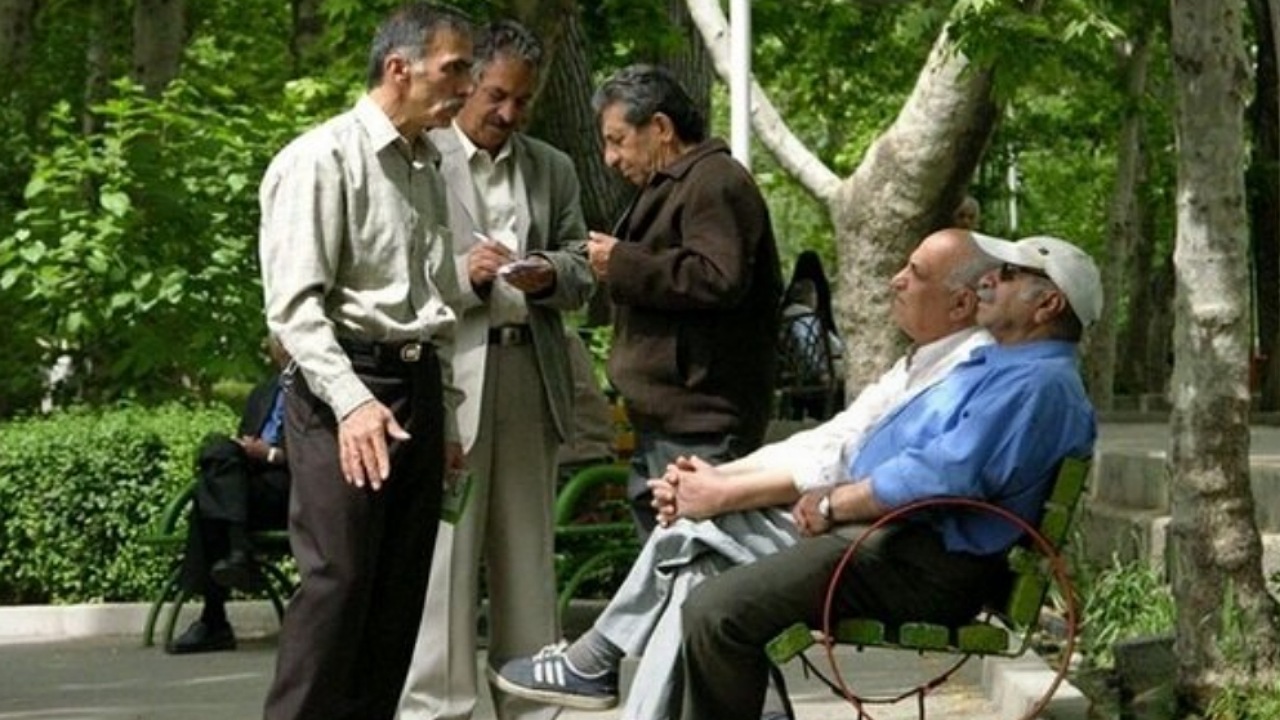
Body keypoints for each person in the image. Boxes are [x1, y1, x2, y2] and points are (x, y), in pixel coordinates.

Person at [490, 227, 996, 718]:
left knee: (698, 539)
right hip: (862, 532)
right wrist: (718, 480)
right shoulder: (922, 364)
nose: (896, 279)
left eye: (916, 272)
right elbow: (831, 440)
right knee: (698, 566)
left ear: (960, 304)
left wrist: (720, 494)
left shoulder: (971, 371)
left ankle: (597, 660)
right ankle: (631, 675)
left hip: (885, 548)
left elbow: (855, 463)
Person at [678, 233, 1103, 720]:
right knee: (704, 555)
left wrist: (833, 504)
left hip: (918, 564)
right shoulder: (1010, 369)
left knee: (716, 613)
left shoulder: (1038, 383)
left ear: (1047, 304)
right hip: (893, 543)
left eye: (1008, 274)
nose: (988, 280)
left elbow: (943, 474)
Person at [257, 5, 473, 719]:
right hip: (342, 388)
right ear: (399, 68)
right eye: (455, 69)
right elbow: (294, 309)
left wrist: (446, 419)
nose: (466, 87)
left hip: (416, 385)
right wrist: (352, 403)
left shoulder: (428, 165)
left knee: (398, 592)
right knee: (339, 586)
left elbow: (437, 305)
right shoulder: (321, 159)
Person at [397, 20, 594, 720]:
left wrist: (549, 274)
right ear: (467, 83)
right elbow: (398, 278)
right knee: (445, 562)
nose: (509, 113)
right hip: (450, 382)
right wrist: (465, 275)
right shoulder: (420, 158)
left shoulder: (552, 167)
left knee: (527, 562)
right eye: (497, 96)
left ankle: (534, 705)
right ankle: (436, 709)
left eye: (524, 100)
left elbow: (582, 267)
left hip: (529, 380)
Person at [583, 64, 783, 539]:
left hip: (701, 424)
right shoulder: (679, 185)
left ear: (660, 127)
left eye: (617, 140)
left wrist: (623, 262)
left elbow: (718, 276)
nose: (610, 158)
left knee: (696, 559)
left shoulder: (714, 181)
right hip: (670, 421)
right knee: (667, 561)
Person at [166, 339, 291, 655]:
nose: (284, 348)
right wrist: (245, 449)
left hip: (291, 490)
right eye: (279, 342)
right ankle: (238, 550)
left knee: (208, 500)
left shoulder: (317, 391)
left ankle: (214, 621)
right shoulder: (263, 392)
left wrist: (269, 454)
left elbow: (320, 455)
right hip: (248, 491)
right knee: (219, 452)